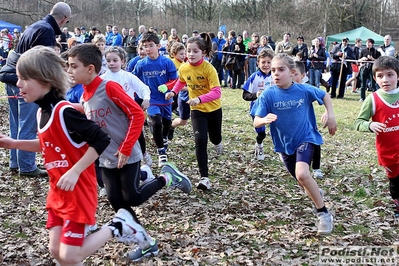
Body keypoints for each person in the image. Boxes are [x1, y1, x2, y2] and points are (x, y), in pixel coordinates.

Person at [0, 45, 146, 266]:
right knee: (56, 251)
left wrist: (75, 171)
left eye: (23, 78)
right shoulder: (42, 112)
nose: (18, 83)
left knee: (69, 255)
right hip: (58, 191)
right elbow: (48, 144)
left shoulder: (64, 111)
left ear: (44, 79)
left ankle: (120, 224)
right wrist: (13, 143)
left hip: (77, 192)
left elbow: (101, 139)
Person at [67, 43, 193, 262]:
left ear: (89, 68)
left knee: (132, 197)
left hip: (127, 152)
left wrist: (126, 148)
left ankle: (168, 176)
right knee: (118, 204)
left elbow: (136, 113)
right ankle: (147, 243)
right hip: (105, 157)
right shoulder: (84, 95)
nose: (69, 71)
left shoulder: (109, 87)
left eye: (73, 66)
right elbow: (92, 114)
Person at [252, 53, 336, 235]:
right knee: (303, 182)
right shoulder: (268, 95)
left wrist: (331, 115)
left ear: (292, 72)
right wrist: (263, 119)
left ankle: (323, 214)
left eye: (281, 70)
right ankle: (317, 196)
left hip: (306, 138)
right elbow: (256, 121)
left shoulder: (303, 90)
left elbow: (325, 95)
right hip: (284, 146)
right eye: (273, 70)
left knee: (303, 174)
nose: (276, 74)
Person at [0, 2, 71, 177]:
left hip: (11, 76)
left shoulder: (36, 25)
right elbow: (43, 64)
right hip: (24, 80)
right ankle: (26, 166)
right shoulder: (46, 31)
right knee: (27, 123)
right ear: (64, 20)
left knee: (16, 122)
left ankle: (16, 162)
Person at [165, 33, 223, 191]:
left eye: (195, 51)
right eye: (188, 51)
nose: (190, 54)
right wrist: (173, 92)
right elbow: (181, 81)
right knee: (200, 141)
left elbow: (217, 93)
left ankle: (218, 143)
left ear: (203, 53)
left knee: (215, 138)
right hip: (197, 110)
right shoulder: (184, 67)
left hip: (214, 109)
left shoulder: (209, 69)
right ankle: (204, 178)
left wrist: (200, 98)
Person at [354, 56, 399, 226]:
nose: (385, 79)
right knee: (395, 180)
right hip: (388, 152)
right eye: (380, 76)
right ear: (374, 78)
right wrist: (370, 125)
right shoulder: (372, 99)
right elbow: (358, 122)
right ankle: (397, 205)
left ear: (398, 76)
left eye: (390, 75)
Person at [101, 46, 153, 167]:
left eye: (115, 60)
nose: (111, 63)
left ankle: (143, 153)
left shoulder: (127, 76)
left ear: (122, 61)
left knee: (137, 134)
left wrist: (146, 99)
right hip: (111, 115)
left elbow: (143, 88)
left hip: (129, 113)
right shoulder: (102, 79)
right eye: (108, 61)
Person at [133, 32, 178, 167]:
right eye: (145, 46)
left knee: (166, 123)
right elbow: (133, 81)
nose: (148, 49)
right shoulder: (141, 64)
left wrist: (167, 87)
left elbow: (175, 80)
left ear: (158, 46)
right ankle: (161, 153)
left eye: (151, 46)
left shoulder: (167, 62)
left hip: (166, 99)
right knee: (156, 122)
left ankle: (164, 138)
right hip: (151, 100)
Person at [293, 61, 325, 179]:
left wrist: (328, 113)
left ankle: (316, 168)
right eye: (291, 74)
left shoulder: (306, 89)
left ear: (303, 75)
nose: (293, 77)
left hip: (309, 125)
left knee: (315, 144)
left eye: (296, 74)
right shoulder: (284, 90)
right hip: (293, 127)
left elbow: (324, 95)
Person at [242, 49, 274, 160]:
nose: (266, 65)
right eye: (263, 62)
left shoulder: (276, 76)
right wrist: (256, 95)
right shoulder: (254, 77)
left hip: (274, 108)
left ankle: (282, 150)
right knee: (262, 134)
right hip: (257, 110)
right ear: (258, 63)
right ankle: (259, 145)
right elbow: (245, 95)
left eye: (269, 62)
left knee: (279, 130)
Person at [167, 42, 189, 141]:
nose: (183, 56)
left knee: (181, 118)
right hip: (169, 92)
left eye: (184, 53)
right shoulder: (170, 63)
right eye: (181, 54)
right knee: (167, 112)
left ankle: (171, 127)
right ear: (174, 54)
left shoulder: (185, 65)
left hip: (181, 93)